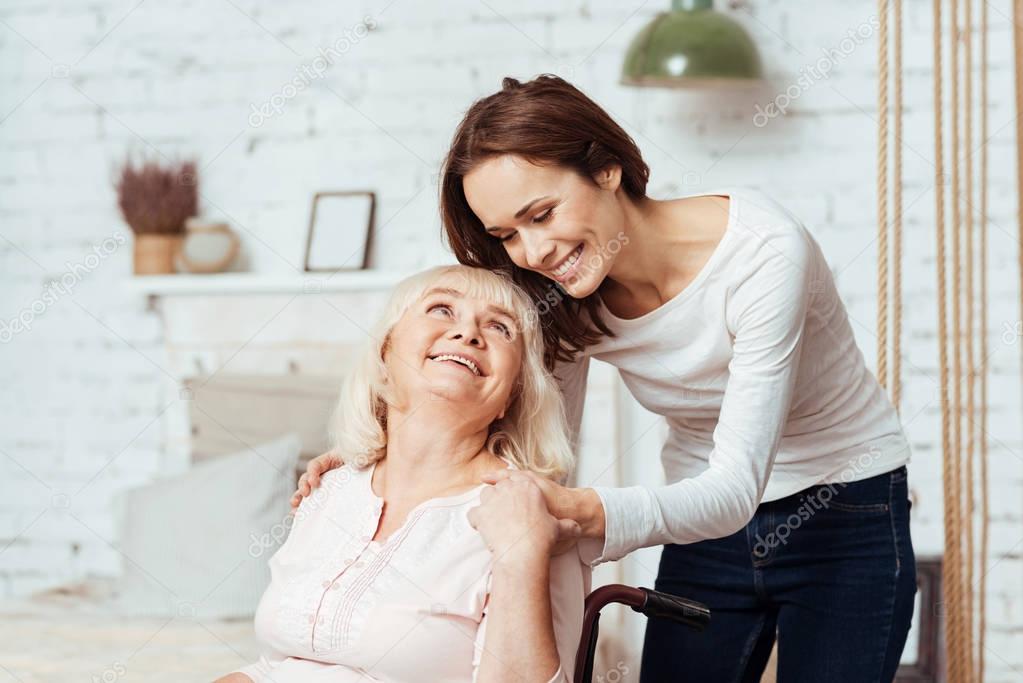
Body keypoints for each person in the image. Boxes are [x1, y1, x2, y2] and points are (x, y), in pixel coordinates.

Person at [296, 74, 916, 682]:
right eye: (506, 234)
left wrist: (577, 510)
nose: (533, 252)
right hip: (696, 514)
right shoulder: (562, 289)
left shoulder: (763, 255)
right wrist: (378, 467)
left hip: (845, 505)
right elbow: (540, 455)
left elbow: (734, 492)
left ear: (607, 168)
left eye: (540, 214)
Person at [218, 265, 591, 683]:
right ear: (384, 356)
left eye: (500, 327)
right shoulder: (331, 489)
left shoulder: (528, 515)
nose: (468, 333)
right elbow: (276, 667)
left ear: (512, 394)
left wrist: (522, 554)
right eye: (442, 309)